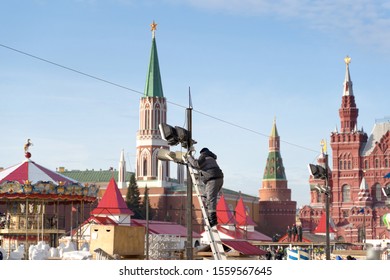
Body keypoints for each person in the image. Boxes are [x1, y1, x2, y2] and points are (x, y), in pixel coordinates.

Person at [187, 147, 224, 228]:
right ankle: (210, 215)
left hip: (212, 180)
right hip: (219, 179)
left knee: (211, 199)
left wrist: (189, 157)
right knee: (206, 196)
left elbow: (196, 164)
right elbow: (199, 166)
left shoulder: (203, 156)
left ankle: (212, 220)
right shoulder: (211, 158)